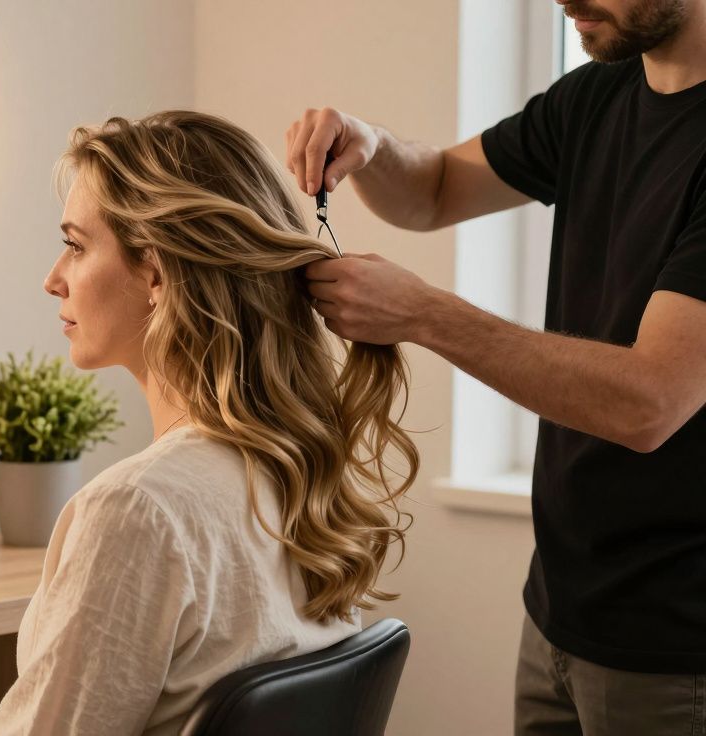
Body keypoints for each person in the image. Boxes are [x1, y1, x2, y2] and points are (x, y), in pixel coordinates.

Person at [285, 0, 706, 731]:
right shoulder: (597, 93)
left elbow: (650, 402)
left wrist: (423, 313)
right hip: (557, 614)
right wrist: (372, 145)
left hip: (678, 652)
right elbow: (436, 190)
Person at [0, 111, 419, 734]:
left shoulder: (136, 509)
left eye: (76, 246)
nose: (53, 279)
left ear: (158, 273)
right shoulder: (296, 472)